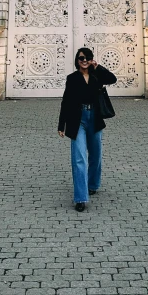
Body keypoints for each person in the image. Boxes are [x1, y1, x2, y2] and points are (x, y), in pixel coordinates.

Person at [57, 47, 117, 211]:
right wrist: (61, 125)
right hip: (78, 120)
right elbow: (66, 102)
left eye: (87, 58)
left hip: (95, 119)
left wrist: (98, 67)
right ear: (77, 60)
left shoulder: (97, 76)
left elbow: (112, 79)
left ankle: (92, 184)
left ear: (91, 59)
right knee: (79, 158)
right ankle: (81, 198)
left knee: (95, 155)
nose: (84, 60)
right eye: (81, 58)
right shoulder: (72, 78)